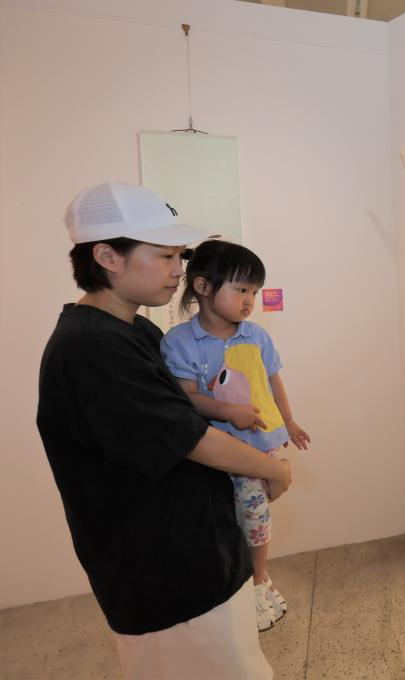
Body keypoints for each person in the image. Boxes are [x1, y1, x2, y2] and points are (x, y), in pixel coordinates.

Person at [37, 181, 292, 679]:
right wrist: (275, 471)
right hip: (167, 578)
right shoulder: (92, 346)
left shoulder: (136, 330)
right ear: (108, 256)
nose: (180, 270)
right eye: (165, 255)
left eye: (181, 256)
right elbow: (190, 439)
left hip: (198, 558)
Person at [161, 240, 311, 632]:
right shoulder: (178, 342)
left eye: (255, 292)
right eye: (241, 289)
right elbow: (186, 398)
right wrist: (228, 412)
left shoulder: (256, 336)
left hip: (259, 446)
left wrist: (289, 421)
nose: (249, 301)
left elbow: (273, 380)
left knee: (256, 515)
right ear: (203, 286)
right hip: (212, 453)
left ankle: (258, 579)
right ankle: (242, 585)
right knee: (227, 521)